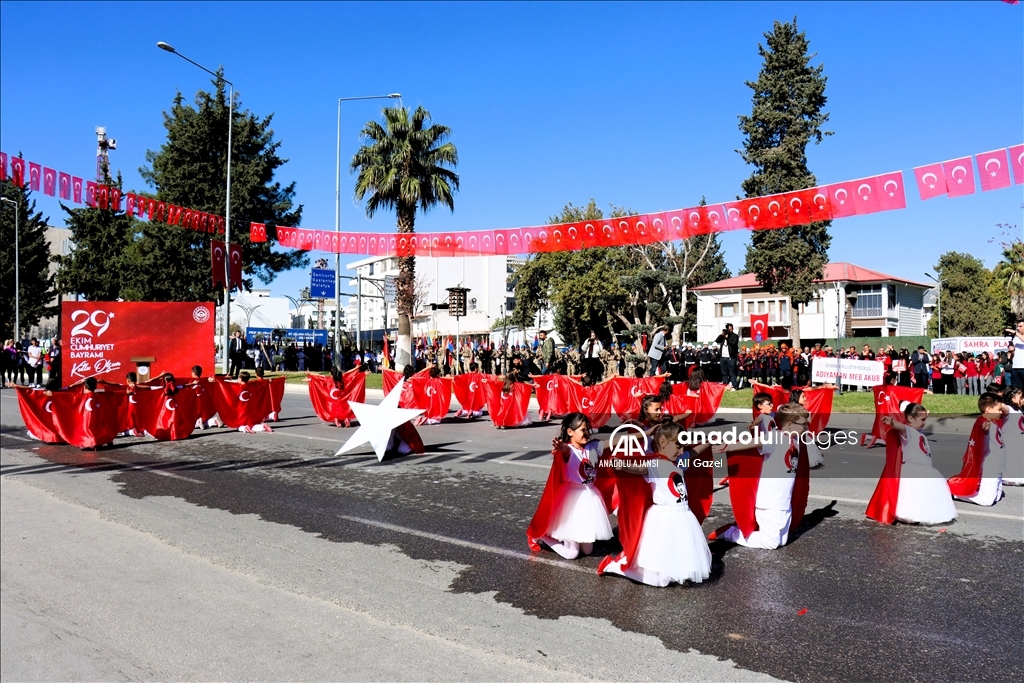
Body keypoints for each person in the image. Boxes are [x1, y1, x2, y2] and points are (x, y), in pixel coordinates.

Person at [598, 422, 713, 587]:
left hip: (683, 516)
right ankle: (614, 566)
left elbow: (694, 452)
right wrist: (622, 465)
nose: (681, 451)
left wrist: (709, 440)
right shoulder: (655, 464)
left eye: (683, 447)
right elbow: (637, 469)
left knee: (677, 563)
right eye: (678, 446)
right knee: (661, 580)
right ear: (664, 443)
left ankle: (669, 567)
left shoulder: (679, 460)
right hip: (663, 517)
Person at [721, 403, 809, 549]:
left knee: (782, 541)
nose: (806, 428)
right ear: (789, 424)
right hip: (770, 502)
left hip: (784, 501)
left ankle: (743, 532)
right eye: (803, 425)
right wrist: (728, 446)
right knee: (771, 543)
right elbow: (753, 442)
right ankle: (732, 534)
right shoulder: (775, 437)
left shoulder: (796, 439)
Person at [526, 413, 613, 559]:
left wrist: (645, 433)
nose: (587, 433)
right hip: (573, 498)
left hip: (590, 495)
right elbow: (565, 451)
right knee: (572, 554)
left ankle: (565, 538)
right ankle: (542, 536)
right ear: (570, 432)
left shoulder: (593, 447)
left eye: (588, 430)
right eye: (583, 430)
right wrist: (560, 448)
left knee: (587, 551)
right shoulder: (569, 449)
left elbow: (618, 440)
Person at [868, 403, 958, 525]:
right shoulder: (908, 431)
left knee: (924, 495)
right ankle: (911, 515)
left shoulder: (919, 433)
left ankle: (924, 513)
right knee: (913, 494)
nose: (924, 422)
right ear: (910, 419)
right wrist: (892, 422)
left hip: (926, 469)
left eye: (925, 419)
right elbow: (901, 427)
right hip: (913, 469)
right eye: (922, 419)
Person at [952, 393, 1006, 506]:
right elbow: (982, 431)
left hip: (998, 464)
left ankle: (976, 489)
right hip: (990, 465)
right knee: (987, 501)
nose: (1001, 412)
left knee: (997, 497)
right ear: (988, 410)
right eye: (998, 409)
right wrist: (985, 429)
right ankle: (955, 493)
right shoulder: (982, 422)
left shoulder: (995, 421)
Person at [715, 324, 740, 390]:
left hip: (731, 357)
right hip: (723, 357)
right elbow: (717, 341)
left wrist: (727, 338)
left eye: (731, 329)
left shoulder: (735, 336)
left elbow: (733, 344)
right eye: (728, 329)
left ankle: (734, 385)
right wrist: (722, 334)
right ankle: (725, 385)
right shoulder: (723, 336)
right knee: (724, 372)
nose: (730, 330)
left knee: (732, 372)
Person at [1009, 321, 1024, 389]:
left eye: (1020, 326)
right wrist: (1011, 351)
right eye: (1017, 326)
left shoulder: (1018, 335)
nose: (1018, 328)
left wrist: (1015, 333)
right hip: (1015, 367)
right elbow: (1012, 355)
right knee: (1017, 389)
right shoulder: (1015, 338)